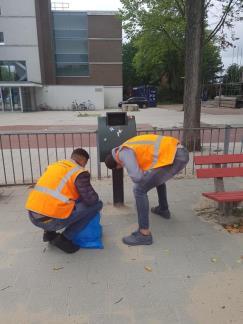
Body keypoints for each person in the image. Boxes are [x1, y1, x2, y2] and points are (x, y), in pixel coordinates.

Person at [105, 134, 189, 246]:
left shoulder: (123, 153)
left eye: (120, 167)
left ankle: (144, 234)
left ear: (116, 164)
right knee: (157, 178)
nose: (123, 167)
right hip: (177, 152)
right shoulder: (127, 146)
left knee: (139, 190)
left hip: (174, 156)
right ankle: (163, 209)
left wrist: (141, 174)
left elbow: (137, 177)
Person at [25, 148, 103, 253]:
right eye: (85, 163)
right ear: (83, 161)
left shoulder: (54, 166)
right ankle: (64, 239)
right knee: (96, 206)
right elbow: (91, 200)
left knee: (51, 200)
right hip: (51, 220)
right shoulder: (79, 172)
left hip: (32, 215)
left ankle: (49, 233)